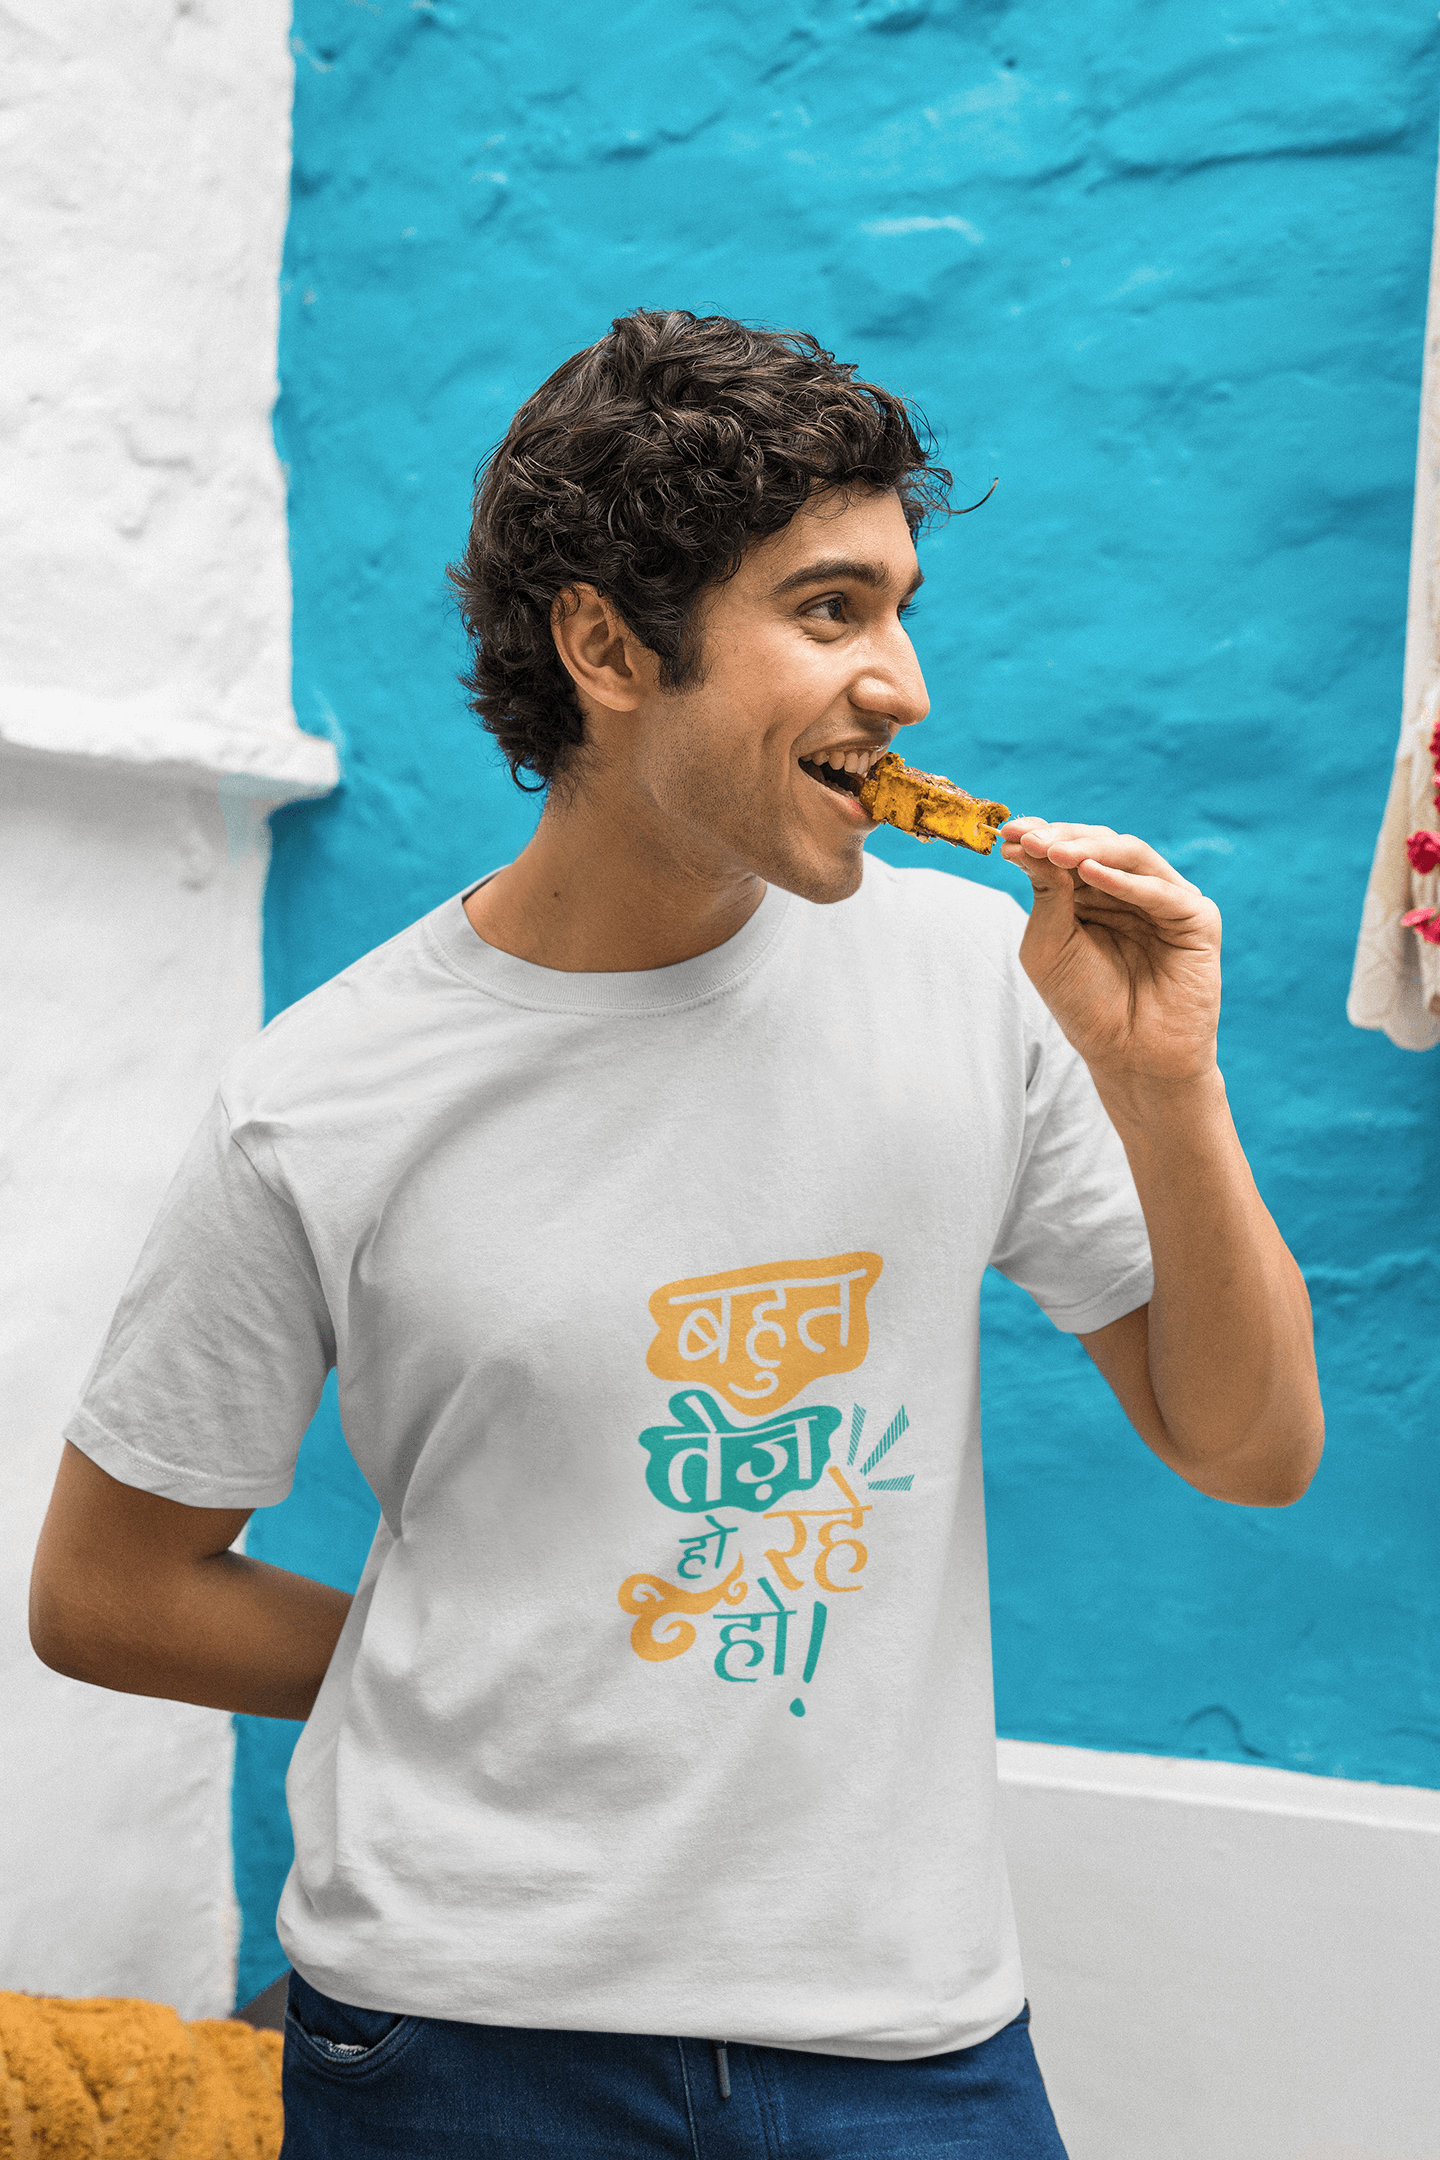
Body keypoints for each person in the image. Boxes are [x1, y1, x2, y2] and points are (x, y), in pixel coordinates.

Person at [29, 310, 1323, 2158]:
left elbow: (1252, 1445)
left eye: (900, 603)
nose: (907, 684)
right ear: (607, 645)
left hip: (910, 2045)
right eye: (828, 611)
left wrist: (1169, 1091)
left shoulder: (977, 984)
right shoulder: (324, 1097)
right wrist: (492, 1683)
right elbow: (105, 1594)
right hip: (462, 2047)